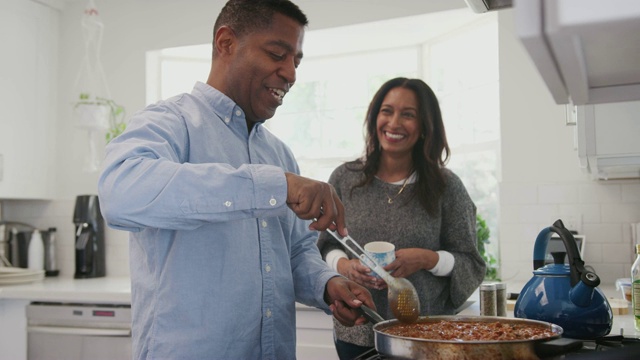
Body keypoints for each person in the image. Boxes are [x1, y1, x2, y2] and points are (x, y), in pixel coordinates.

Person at [98, 1, 375, 359]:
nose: (291, 74)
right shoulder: (168, 123)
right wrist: (276, 186)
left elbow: (295, 253)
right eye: (278, 54)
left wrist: (327, 284)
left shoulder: (278, 154)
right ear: (226, 43)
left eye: (296, 61)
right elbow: (120, 192)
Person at [317, 77, 486, 359]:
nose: (394, 123)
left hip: (425, 339)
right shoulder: (345, 179)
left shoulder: (447, 187)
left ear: (424, 127)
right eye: (387, 111)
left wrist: (426, 259)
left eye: (408, 115)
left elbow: (471, 262)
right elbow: (324, 245)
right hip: (356, 334)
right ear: (374, 118)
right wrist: (345, 265)